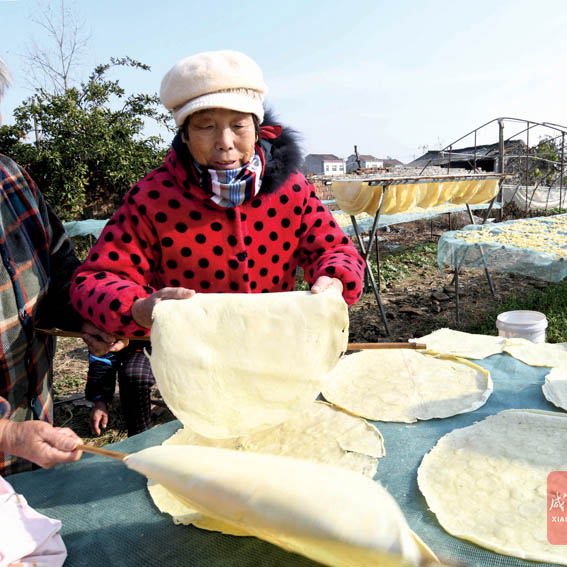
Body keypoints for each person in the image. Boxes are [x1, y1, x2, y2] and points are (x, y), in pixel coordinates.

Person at [70, 50, 365, 429]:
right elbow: (93, 279)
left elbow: (333, 249)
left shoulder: (291, 189)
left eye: (238, 126)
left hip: (279, 358)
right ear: (185, 133)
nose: (225, 142)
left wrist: (335, 277)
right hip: (197, 368)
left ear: (258, 129)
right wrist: (137, 309)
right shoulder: (153, 197)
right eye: (206, 127)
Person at [0, 57, 127, 476]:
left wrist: (89, 317)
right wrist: (7, 435)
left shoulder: (11, 180)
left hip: (34, 440)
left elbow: (61, 273)